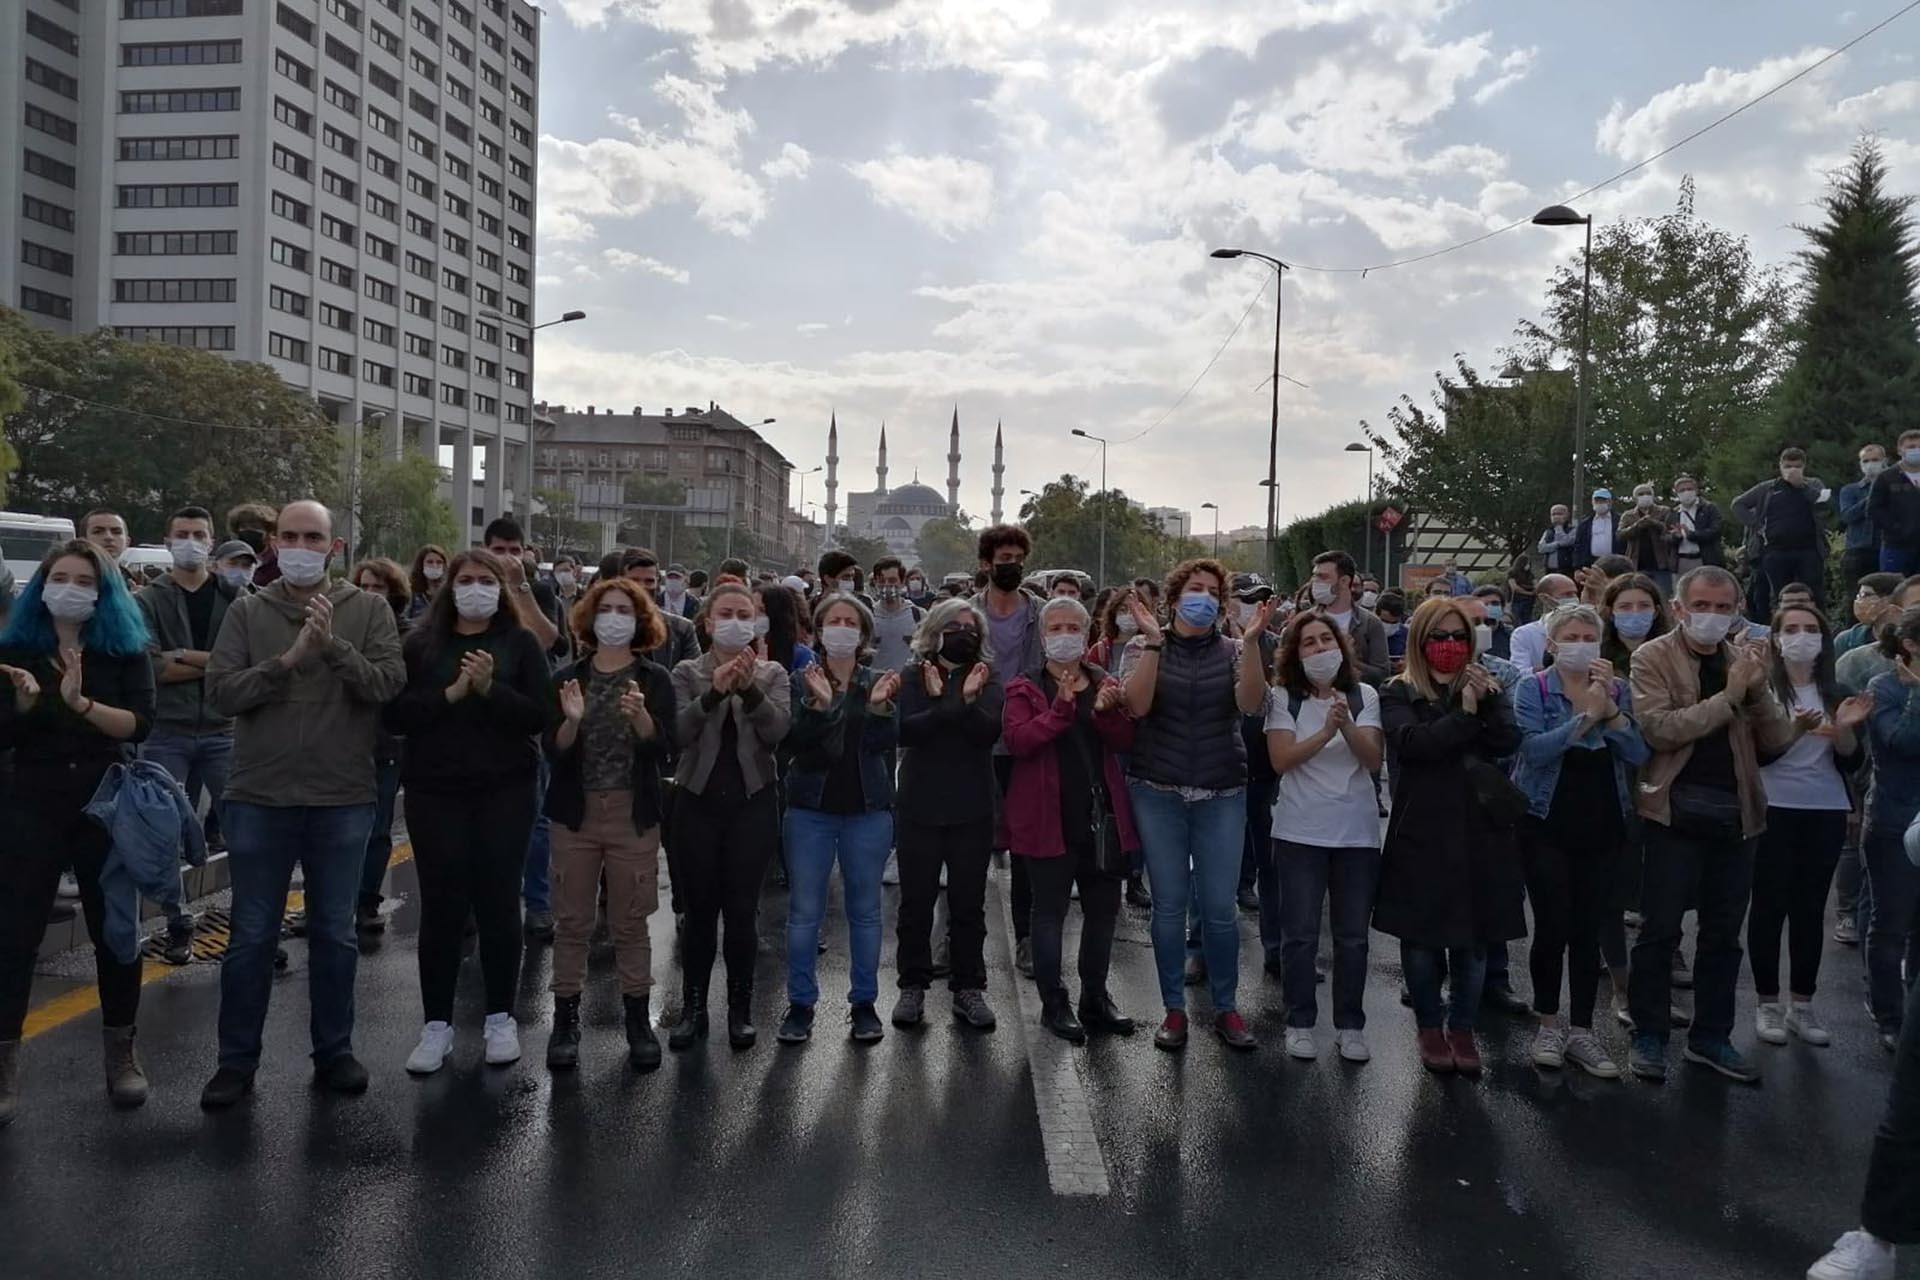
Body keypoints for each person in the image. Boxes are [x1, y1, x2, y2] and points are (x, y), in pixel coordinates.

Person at [199, 501, 405, 1108]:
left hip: (341, 796)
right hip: (260, 796)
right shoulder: (248, 610)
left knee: (335, 934)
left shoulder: (367, 610)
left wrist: (333, 647)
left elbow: (386, 685)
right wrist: (287, 661)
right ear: (272, 543)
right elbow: (221, 694)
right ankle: (236, 1062)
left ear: (333, 547)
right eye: (289, 536)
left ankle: (334, 1051)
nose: (299, 546)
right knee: (252, 935)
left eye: (312, 537)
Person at [0, 540, 157, 1121]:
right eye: (58, 576)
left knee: (117, 931)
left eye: (84, 580)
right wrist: (21, 705)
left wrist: (81, 702)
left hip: (105, 801)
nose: (69, 587)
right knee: (14, 935)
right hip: (29, 803)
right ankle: (4, 1066)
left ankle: (122, 1054)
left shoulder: (123, 649)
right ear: (40, 585)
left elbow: (141, 723)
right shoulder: (16, 649)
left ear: (104, 590)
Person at [1626, 565, 1798, 1086]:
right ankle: (1650, 1034)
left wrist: (1758, 688)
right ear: (1679, 609)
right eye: (1702, 606)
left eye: (1724, 608)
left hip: (1737, 813)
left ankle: (1711, 1036)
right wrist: (1728, 697)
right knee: (1659, 930)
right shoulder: (1652, 656)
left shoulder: (1740, 661)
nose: (1713, 617)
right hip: (1672, 812)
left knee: (1723, 936)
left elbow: (1775, 742)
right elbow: (1659, 730)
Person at [385, 550, 552, 1074]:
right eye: (466, 580)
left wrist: (490, 690)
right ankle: (437, 1025)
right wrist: (453, 693)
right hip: (436, 790)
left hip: (505, 789)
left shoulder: (520, 643)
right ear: (448, 588)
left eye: (487, 581)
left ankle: (500, 1018)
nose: (475, 589)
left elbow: (538, 715)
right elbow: (397, 715)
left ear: (502, 590)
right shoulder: (420, 645)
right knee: (442, 905)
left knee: (500, 901)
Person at [1122, 559, 1269, 1051]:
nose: (1202, 597)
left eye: (1212, 590)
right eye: (1194, 589)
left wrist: (1250, 643)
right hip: (1157, 788)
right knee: (1168, 905)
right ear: (1173, 597)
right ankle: (1173, 1010)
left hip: (1222, 789)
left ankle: (1227, 1008)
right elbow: (1137, 706)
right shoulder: (1143, 645)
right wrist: (1155, 645)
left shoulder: (1232, 649)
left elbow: (1250, 704)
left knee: (1220, 908)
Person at [1375, 595, 1523, 1075]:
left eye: (1460, 636)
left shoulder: (1486, 685)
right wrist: (1464, 713)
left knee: (1474, 939)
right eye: (1440, 635)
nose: (1451, 645)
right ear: (1421, 640)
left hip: (1480, 829)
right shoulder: (1398, 691)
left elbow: (1507, 741)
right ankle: (1429, 1024)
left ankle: (1463, 1026)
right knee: (1420, 939)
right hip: (1422, 827)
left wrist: (1486, 701)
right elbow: (1416, 746)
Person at [542, 575, 676, 1071]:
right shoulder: (566, 678)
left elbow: (664, 747)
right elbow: (551, 751)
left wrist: (642, 718)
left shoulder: (654, 680)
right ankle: (565, 1019)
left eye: (624, 610)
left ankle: (637, 1020)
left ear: (639, 621)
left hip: (631, 812)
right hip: (575, 814)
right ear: (589, 618)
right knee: (573, 921)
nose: (614, 618)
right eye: (606, 609)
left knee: (630, 921)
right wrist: (572, 720)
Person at [1513, 604, 1649, 1079]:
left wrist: (1609, 708)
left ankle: (1582, 1029)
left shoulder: (1617, 690)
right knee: (1553, 923)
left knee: (1588, 927)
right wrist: (1583, 721)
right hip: (1545, 820)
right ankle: (1549, 1022)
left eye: (1589, 635)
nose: (1581, 643)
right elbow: (1532, 750)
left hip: (1604, 822)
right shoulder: (1534, 688)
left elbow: (1637, 751)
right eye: (1570, 635)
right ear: (1552, 643)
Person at [1003, 597, 1137, 1043]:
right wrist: (1061, 708)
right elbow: (1020, 741)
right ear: (1042, 638)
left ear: (1086, 635)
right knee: (1049, 914)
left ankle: (1095, 998)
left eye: (1072, 628)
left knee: (1102, 912)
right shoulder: (1023, 687)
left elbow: (1122, 741)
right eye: (1055, 628)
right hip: (1046, 819)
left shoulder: (1103, 681)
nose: (1064, 635)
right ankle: (1053, 1003)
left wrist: (1108, 711)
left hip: (1099, 819)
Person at [669, 582, 791, 1051]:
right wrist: (713, 694)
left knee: (742, 913)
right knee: (699, 913)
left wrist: (750, 691)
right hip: (695, 802)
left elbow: (779, 731)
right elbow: (676, 733)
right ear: (708, 621)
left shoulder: (773, 672)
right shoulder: (685, 671)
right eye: (727, 613)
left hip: (753, 802)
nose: (736, 621)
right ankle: (693, 1009)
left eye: (746, 613)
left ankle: (739, 1010)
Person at [779, 594, 901, 1045]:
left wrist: (878, 707)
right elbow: (795, 746)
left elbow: (885, 742)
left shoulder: (879, 682)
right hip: (811, 811)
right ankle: (800, 1004)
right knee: (805, 912)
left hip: (867, 813)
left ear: (864, 634)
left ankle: (864, 1004)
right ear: (819, 629)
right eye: (835, 620)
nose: (843, 628)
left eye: (851, 621)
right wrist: (820, 705)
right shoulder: (800, 680)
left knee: (865, 913)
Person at [1747, 603, 1868, 1051]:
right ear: (1776, 638)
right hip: (1774, 806)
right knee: (1768, 906)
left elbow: (1853, 762)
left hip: (1824, 809)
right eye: (1791, 629)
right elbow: (1759, 754)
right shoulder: (1763, 689)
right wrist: (1795, 731)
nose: (1802, 636)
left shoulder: (1838, 692)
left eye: (1811, 629)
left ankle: (1802, 1003)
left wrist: (1845, 733)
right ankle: (1767, 1002)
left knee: (1809, 908)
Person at [1265, 611, 1383, 1062]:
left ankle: (1350, 1025)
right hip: (1299, 832)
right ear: (1296, 654)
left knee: (1352, 936)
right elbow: (1281, 759)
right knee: (1300, 934)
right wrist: (1326, 731)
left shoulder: (1364, 695)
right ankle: (1299, 1021)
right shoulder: (1283, 698)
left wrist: (1347, 725)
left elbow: (1372, 760)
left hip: (1356, 835)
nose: (1319, 650)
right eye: (1309, 643)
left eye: (1325, 640)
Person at [892, 597, 1003, 1031]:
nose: (963, 633)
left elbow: (986, 732)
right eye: (954, 626)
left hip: (971, 806)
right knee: (915, 902)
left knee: (968, 904)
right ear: (935, 631)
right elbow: (906, 730)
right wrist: (949, 706)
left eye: (970, 627)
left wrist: (958, 704)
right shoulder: (912, 674)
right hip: (920, 804)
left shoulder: (987, 677)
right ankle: (912, 986)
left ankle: (968, 987)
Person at [135, 506, 236, 964]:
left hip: (225, 730)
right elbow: (150, 666)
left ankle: (253, 925)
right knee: (162, 834)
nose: (191, 540)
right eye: (182, 534)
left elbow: (242, 663)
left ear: (212, 541)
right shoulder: (148, 599)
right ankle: (177, 922)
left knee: (245, 830)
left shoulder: (237, 596)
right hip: (166, 731)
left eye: (199, 533)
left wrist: (184, 656)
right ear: (168, 540)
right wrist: (211, 661)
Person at [973, 526, 1043, 975]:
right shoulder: (964, 614)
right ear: (986, 563)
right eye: (1004, 557)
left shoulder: (1039, 613)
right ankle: (958, 939)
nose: (1011, 564)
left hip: (1023, 742)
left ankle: (1027, 938)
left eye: (1018, 556)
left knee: (1025, 848)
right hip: (976, 740)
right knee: (970, 846)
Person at [1863, 607, 1920, 1055]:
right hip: (1895, 823)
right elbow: (1899, 743)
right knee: (1891, 926)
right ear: (1910, 645)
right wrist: (1918, 695)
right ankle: (1889, 1017)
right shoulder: (1884, 688)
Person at [347, 558, 411, 935]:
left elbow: (390, 684)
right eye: (364, 586)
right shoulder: (345, 627)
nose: (370, 594)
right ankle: (324, 902)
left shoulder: (407, 635)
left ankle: (367, 902)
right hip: (342, 741)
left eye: (379, 588)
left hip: (385, 743)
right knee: (330, 830)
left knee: (377, 829)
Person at [1734, 447, 1831, 612]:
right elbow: (1738, 504)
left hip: (1808, 550)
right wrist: (1756, 524)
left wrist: (1802, 485)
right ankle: (1782, 631)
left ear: (1804, 466)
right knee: (1779, 597)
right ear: (1780, 466)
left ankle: (1819, 632)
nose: (1792, 470)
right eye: (1787, 466)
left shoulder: (1813, 484)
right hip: (1776, 551)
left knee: (1814, 595)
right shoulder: (1768, 488)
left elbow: (1824, 504)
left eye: (1797, 466)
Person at [1307, 551, 1389, 684]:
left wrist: (1350, 660)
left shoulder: (1370, 623)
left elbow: (1381, 675)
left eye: (1323, 577)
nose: (1315, 582)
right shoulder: (1304, 622)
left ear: (1344, 581)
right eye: (1314, 576)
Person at [622, 549, 700, 673]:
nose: (642, 587)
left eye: (649, 581)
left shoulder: (682, 629)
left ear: (658, 581)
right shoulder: (605, 626)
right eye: (634, 580)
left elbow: (693, 678)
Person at [1869, 428, 1920, 576]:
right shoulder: (1886, 477)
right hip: (1897, 547)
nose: (1916, 450)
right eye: (1911, 447)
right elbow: (1874, 509)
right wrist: (1897, 528)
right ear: (1900, 450)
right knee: (1893, 591)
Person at [1840, 444, 1888, 597]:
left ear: (1884, 461)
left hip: (1886, 550)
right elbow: (1848, 516)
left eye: (1875, 460)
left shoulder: (1894, 487)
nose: (1870, 465)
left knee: (1887, 598)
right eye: (1865, 461)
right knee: (1856, 599)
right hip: (1858, 552)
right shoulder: (1850, 490)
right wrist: (1873, 494)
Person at [1508, 574, 1579, 673]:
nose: (1574, 599)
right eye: (1567, 595)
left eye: (1575, 594)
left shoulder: (1584, 630)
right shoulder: (1524, 634)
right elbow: (1518, 672)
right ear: (1544, 598)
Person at [1618, 482, 1676, 593]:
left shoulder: (1664, 511)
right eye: (1641, 494)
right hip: (1637, 565)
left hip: (1661, 564)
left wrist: (1654, 523)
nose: (1645, 496)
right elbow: (1620, 535)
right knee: (1639, 595)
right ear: (1635, 498)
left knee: (1663, 596)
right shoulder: (1628, 515)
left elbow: (1670, 531)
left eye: (1648, 493)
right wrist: (1637, 525)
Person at [869, 557, 923, 671]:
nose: (887, 585)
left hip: (907, 683)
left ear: (903, 582)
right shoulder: (867, 615)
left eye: (892, 580)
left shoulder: (918, 615)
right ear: (875, 582)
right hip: (876, 683)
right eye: (882, 581)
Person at [1665, 475, 1724, 577]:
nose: (1686, 492)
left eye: (1689, 489)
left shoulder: (1709, 508)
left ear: (1696, 490)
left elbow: (1716, 531)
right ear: (1677, 493)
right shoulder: (1673, 513)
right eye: (1682, 490)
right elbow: (1665, 537)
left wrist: (1692, 535)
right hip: (1681, 561)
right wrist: (1676, 537)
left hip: (1705, 560)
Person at [753, 580, 815, 672]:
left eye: (762, 610)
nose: (754, 615)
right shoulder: (742, 648)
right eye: (751, 608)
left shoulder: (801, 656)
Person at [1841, 574, 1904, 657]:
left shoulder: (1910, 637)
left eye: (1865, 595)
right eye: (1858, 596)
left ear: (1888, 600)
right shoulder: (1847, 640)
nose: (1859, 602)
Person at [1574, 489, 1620, 569]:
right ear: (1592, 502)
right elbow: (1578, 546)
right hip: (1591, 564)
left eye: (1603, 501)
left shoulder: (1619, 521)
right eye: (1597, 501)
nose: (1599, 503)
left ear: (1610, 502)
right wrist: (1577, 568)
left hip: (1615, 563)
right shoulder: (1585, 524)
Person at [406, 544, 449, 622]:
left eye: (439, 562)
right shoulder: (411, 591)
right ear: (421, 565)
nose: (434, 565)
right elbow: (405, 619)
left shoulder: (448, 591)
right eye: (430, 562)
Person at [1471, 584, 1513, 661]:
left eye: (1495, 603)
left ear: (1502, 608)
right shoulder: (1466, 636)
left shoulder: (1513, 636)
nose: (1490, 607)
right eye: (1484, 604)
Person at [1537, 504, 1578, 574]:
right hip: (1549, 570)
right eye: (1553, 514)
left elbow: (1566, 541)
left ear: (1567, 515)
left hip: (1567, 569)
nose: (1556, 517)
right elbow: (1541, 548)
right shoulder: (1548, 531)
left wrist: (1559, 527)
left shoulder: (1573, 530)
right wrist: (1557, 544)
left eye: (1559, 514)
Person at [1508, 558, 1537, 627]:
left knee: (1527, 621)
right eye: (1527, 563)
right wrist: (1529, 593)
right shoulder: (1513, 573)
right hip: (1517, 600)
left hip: (1529, 602)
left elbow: (1536, 585)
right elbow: (1514, 588)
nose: (1528, 566)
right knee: (1516, 620)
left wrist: (1535, 590)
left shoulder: (1530, 575)